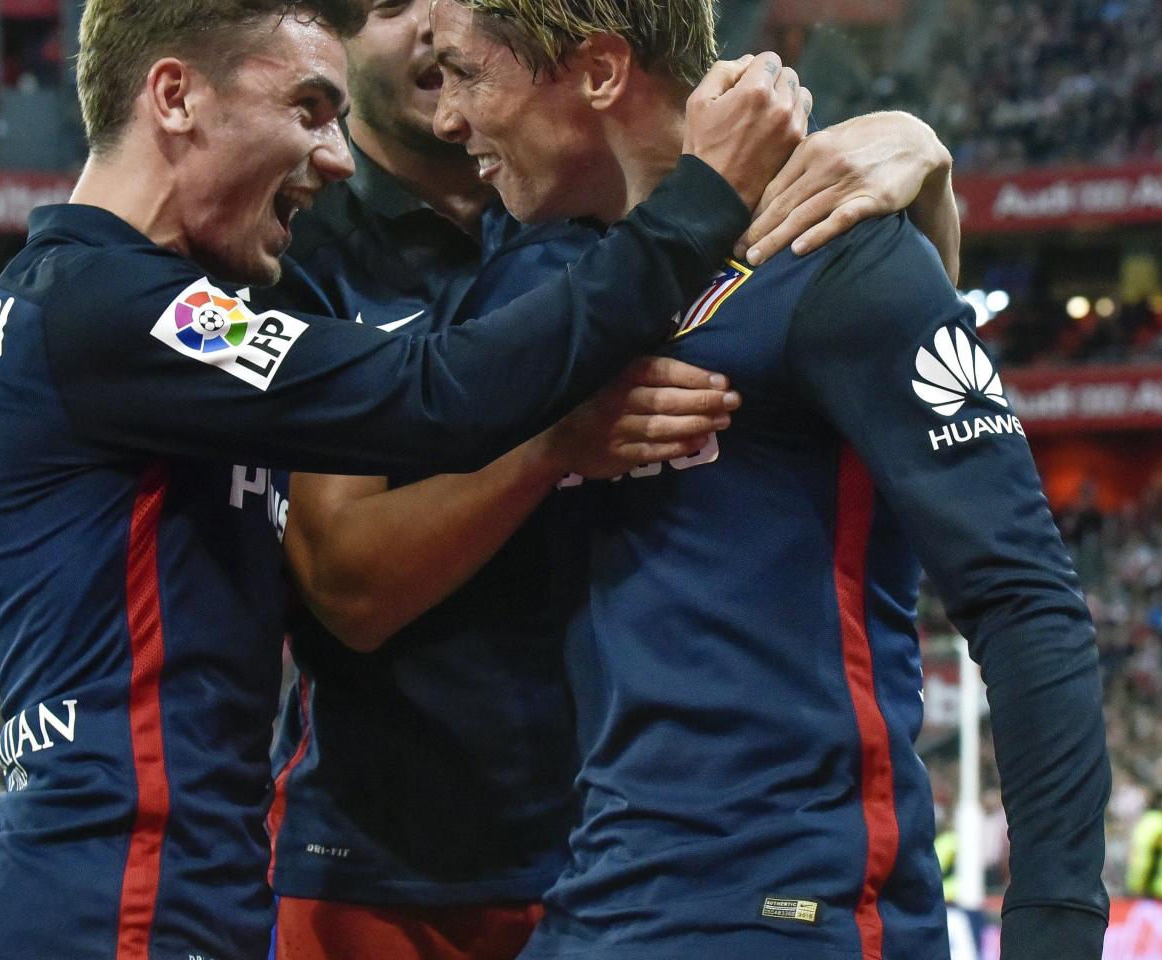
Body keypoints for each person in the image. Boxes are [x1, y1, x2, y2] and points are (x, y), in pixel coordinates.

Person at [0, 0, 814, 955]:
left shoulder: (110, 318)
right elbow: (429, 396)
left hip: (164, 890)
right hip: (112, 902)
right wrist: (700, 198)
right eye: (310, 109)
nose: (337, 154)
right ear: (176, 96)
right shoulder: (111, 305)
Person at [264, 4, 962, 960]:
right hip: (390, 867)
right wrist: (549, 448)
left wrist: (918, 153)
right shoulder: (309, 237)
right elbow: (344, 582)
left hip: (621, 869)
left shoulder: (621, 193)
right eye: (388, 6)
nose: (428, 26)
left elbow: (881, 363)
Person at [420, 1, 1110, 958]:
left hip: (795, 910)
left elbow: (1024, 597)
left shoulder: (838, 251)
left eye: (464, 74)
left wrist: (1055, 928)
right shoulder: (550, 281)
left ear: (600, 72)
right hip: (594, 906)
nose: (446, 117)